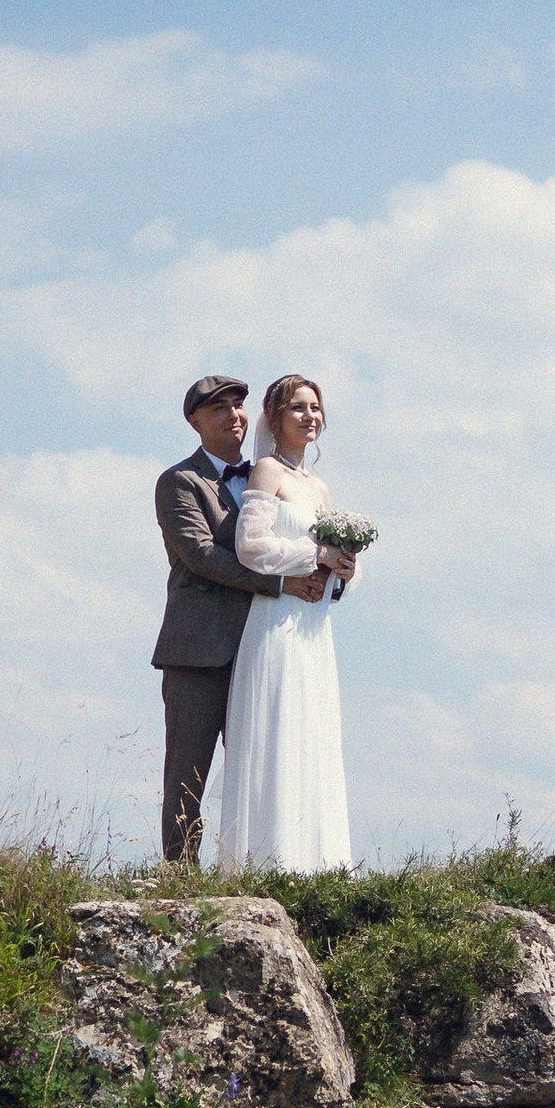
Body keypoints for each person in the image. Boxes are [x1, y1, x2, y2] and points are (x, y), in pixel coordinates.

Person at [150, 374, 330, 862]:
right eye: (217, 409)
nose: (232, 415)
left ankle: (258, 866)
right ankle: (181, 875)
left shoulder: (268, 476)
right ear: (194, 422)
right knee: (189, 771)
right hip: (199, 651)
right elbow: (201, 555)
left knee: (264, 767)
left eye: (238, 406)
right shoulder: (179, 482)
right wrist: (281, 582)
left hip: (264, 646)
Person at [210, 372, 362, 871]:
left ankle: (315, 866)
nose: (310, 416)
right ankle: (266, 862)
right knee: (277, 735)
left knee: (313, 737)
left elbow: (334, 567)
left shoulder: (319, 487)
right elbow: (250, 546)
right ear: (275, 417)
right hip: (276, 624)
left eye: (316, 408)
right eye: (299, 407)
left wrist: (343, 568)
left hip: (315, 630)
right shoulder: (267, 474)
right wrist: (312, 554)